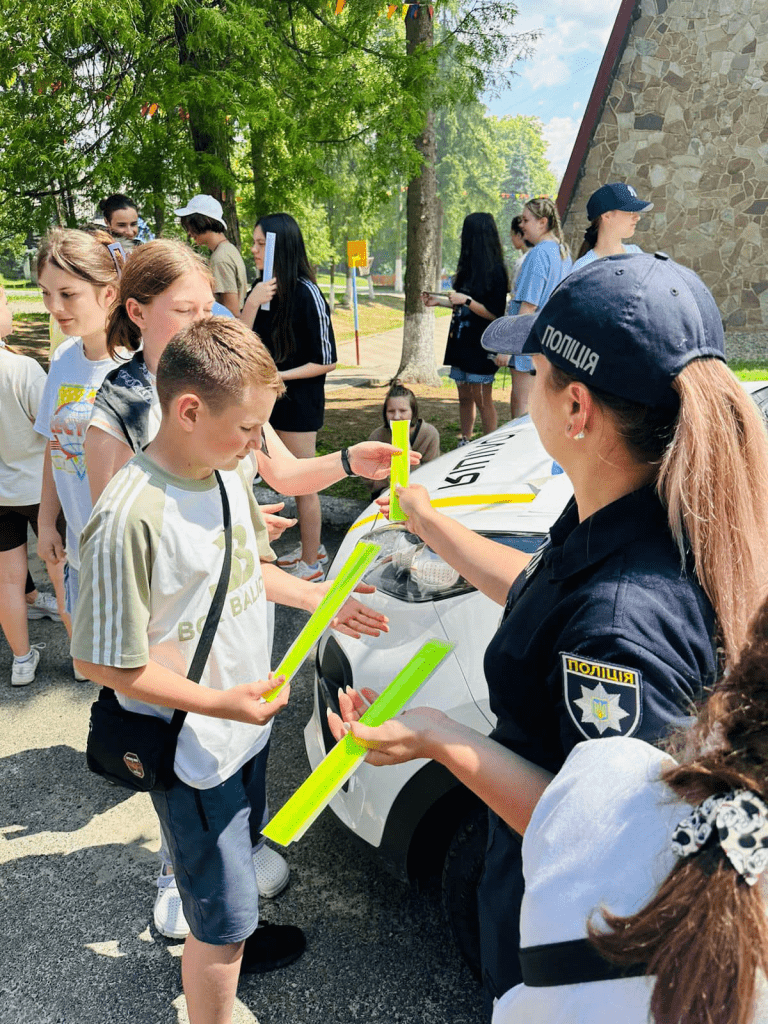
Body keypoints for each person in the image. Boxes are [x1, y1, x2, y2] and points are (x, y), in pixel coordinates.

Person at [329, 253, 768, 1012]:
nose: (517, 388)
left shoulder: (622, 630)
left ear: (576, 410)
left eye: (529, 370)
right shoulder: (648, 504)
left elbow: (610, 826)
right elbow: (544, 590)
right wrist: (434, 526)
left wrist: (437, 735)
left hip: (573, 928)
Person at [71, 317, 388, 1023]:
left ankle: (233, 934)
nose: (259, 447)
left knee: (232, 880)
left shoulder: (220, 475)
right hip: (195, 750)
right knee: (217, 925)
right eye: (249, 429)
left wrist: (319, 601)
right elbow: (101, 660)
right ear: (188, 411)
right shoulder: (129, 518)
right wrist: (221, 704)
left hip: (241, 728)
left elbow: (250, 571)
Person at [34, 228, 124, 638]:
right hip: (79, 551)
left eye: (68, 294)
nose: (54, 307)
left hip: (132, 556)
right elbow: (57, 445)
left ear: (108, 294)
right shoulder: (63, 359)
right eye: (45, 293)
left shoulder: (140, 366)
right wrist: (47, 521)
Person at [239, 212, 338, 581]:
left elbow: (326, 361)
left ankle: (312, 563)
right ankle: (310, 548)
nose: (254, 250)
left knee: (302, 481)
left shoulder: (308, 293)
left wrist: (278, 377)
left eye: (261, 243)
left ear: (281, 246)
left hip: (298, 403)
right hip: (264, 402)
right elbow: (237, 343)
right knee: (267, 476)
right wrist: (251, 304)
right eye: (253, 243)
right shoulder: (259, 289)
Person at [0, 285, 62, 686]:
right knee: (62, 572)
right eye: (5, 303)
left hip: (0, 495)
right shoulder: (22, 369)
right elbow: (53, 426)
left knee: (7, 578)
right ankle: (79, 659)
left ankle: (21, 660)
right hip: (40, 491)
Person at [423, 212, 508, 446]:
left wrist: (467, 301)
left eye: (465, 232)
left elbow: (494, 313)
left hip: (480, 345)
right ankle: (466, 440)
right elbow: (460, 300)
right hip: (460, 342)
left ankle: (489, 446)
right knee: (463, 395)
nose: (461, 236)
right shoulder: (467, 268)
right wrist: (438, 301)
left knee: (482, 398)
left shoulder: (496, 273)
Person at [494, 197, 572, 419]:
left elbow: (527, 308)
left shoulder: (538, 255)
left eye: (526, 220)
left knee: (522, 413)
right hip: (550, 347)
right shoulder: (562, 252)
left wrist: (506, 348)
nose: (522, 224)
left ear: (542, 222)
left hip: (529, 348)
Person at [361, 381, 440, 498]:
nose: (397, 417)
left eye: (403, 411)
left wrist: (406, 453)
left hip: (420, 491)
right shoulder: (377, 437)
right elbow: (368, 478)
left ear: (413, 412)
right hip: (386, 492)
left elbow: (433, 473)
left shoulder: (429, 434)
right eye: (391, 411)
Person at [175, 194, 248, 316]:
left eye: (190, 227)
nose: (189, 233)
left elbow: (231, 311)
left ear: (200, 222)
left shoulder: (220, 258)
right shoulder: (228, 249)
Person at [570, 181, 653, 274]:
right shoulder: (584, 268)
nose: (637, 217)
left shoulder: (636, 253)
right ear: (606, 216)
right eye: (630, 211)